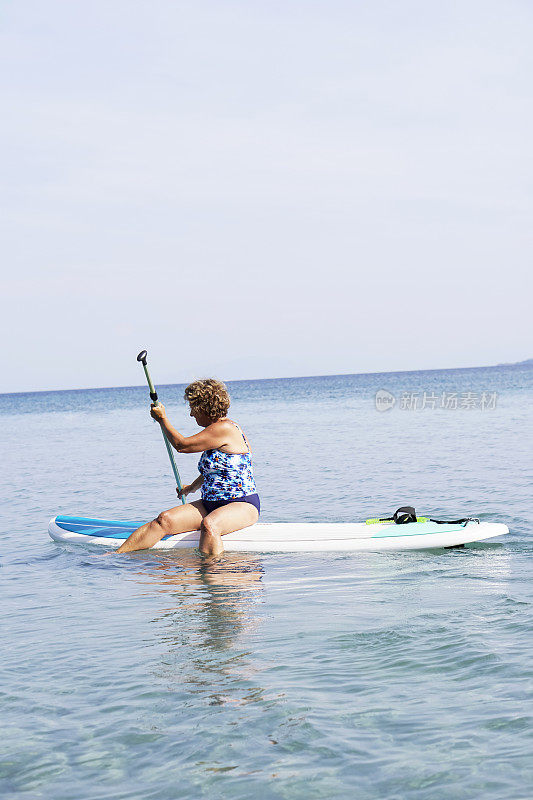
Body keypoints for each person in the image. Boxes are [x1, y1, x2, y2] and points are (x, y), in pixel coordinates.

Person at [115, 378, 259, 556]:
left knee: (209, 524)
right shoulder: (217, 430)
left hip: (241, 504)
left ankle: (211, 578)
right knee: (164, 520)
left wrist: (163, 419)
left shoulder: (225, 429)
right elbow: (216, 471)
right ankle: (114, 556)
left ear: (203, 408)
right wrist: (191, 488)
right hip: (209, 504)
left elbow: (182, 445)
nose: (191, 414)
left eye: (193, 408)